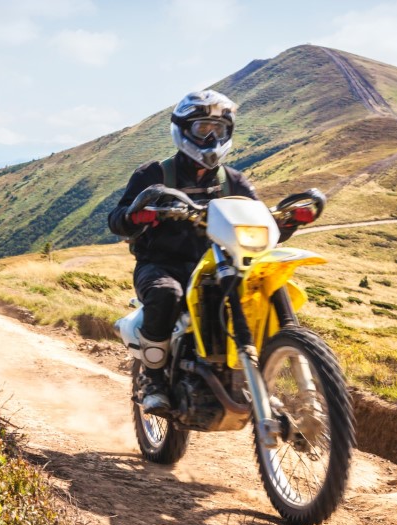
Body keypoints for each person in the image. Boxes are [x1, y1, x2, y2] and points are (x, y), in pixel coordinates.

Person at [108, 89, 298, 416]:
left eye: (219, 129)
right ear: (183, 130)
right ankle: (152, 378)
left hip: (219, 265)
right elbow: (117, 219)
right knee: (167, 294)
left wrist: (286, 222)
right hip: (162, 265)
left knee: (263, 291)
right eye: (202, 128)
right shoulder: (154, 174)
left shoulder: (234, 181)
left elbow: (258, 220)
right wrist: (137, 214)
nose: (211, 137)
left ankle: (276, 373)